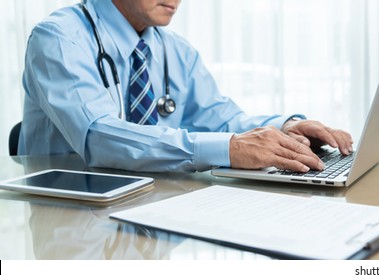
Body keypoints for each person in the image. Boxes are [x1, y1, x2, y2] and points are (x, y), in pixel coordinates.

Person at [19, 0, 353, 172]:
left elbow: (222, 120)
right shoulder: (60, 38)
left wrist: (283, 128)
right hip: (72, 216)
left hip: (156, 206)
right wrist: (230, 149)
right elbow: (98, 137)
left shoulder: (175, 50)